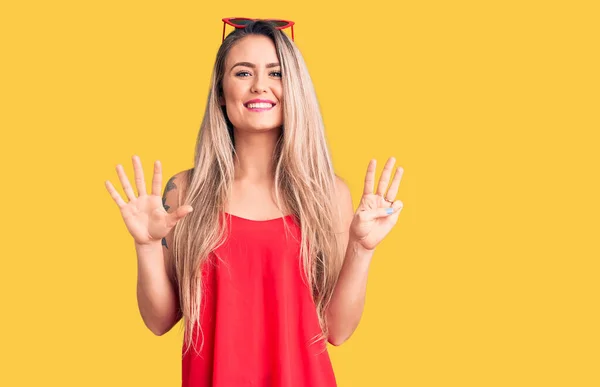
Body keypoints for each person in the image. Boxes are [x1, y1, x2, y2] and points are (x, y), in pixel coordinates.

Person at [105, 19, 404, 387]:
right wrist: (147, 246)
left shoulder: (329, 193)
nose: (260, 85)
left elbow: (338, 332)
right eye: (243, 72)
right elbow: (159, 321)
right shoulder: (184, 192)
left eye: (275, 72)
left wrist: (361, 247)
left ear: (293, 86)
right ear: (220, 91)